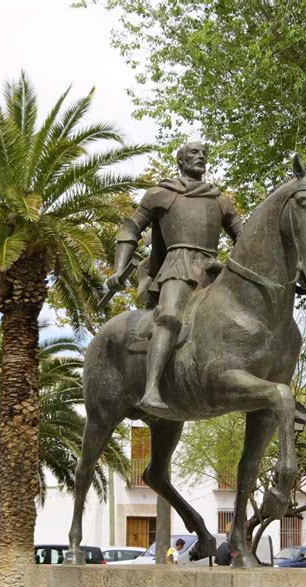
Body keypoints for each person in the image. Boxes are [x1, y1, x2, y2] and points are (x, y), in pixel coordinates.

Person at [107, 141, 242, 415]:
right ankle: (151, 389)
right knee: (169, 315)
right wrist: (118, 269)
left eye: (204, 154)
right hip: (178, 265)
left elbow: (245, 238)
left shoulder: (220, 200)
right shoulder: (161, 194)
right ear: (180, 160)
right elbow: (130, 229)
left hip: (213, 270)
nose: (201, 157)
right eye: (194, 153)